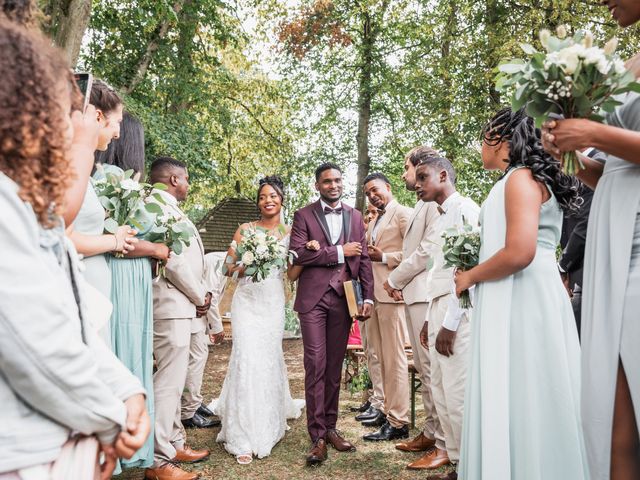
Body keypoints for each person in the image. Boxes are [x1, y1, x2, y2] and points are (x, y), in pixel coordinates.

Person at [0, 20, 149, 479]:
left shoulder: (20, 201)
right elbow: (31, 341)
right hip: (25, 452)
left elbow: (71, 318)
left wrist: (127, 390)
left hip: (63, 437)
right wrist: (109, 419)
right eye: (60, 113)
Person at [456, 107, 587, 479]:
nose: (480, 144)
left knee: (529, 389)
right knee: (519, 388)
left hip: (524, 296)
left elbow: (519, 252)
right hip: (514, 293)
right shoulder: (516, 179)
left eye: (483, 135)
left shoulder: (521, 179)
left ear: (499, 137)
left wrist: (470, 277)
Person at [542, 6, 640, 474]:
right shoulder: (629, 64)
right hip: (610, 232)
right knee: (611, 397)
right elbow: (609, 174)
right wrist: (571, 152)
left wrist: (593, 131)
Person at [94, 112, 171, 472]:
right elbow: (122, 240)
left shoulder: (97, 175)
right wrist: (157, 250)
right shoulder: (115, 180)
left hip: (123, 274)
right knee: (128, 351)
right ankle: (130, 444)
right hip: (125, 275)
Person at [213, 176, 305, 464]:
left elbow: (290, 274)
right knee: (245, 357)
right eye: (263, 196)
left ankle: (268, 422)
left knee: (267, 358)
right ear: (258, 202)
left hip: (272, 302)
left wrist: (306, 256)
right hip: (247, 302)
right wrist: (248, 263)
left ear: (282, 200)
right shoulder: (245, 230)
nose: (268, 200)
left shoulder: (290, 232)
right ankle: (240, 432)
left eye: (273, 196)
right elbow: (228, 268)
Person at [290, 162, 374, 466]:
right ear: (318, 185)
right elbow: (298, 254)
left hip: (343, 300)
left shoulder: (355, 216)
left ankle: (331, 427)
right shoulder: (303, 215)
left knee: (334, 367)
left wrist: (368, 298)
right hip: (313, 300)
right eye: (327, 181)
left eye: (338, 180)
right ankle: (318, 436)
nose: (333, 185)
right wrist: (338, 252)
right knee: (316, 363)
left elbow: (363, 259)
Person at [413, 156, 480, 478]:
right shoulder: (438, 219)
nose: (417, 183)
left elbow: (467, 270)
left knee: (457, 394)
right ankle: (457, 463)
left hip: (458, 312)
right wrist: (429, 318)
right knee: (440, 391)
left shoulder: (466, 209)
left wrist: (450, 325)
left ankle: (472, 465)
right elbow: (437, 273)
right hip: (437, 306)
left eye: (423, 177)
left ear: (443, 174)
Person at [146, 157, 211, 480]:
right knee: (167, 384)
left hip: (182, 306)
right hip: (170, 306)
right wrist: (200, 297)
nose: (188, 185)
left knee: (174, 381)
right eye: (185, 179)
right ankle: (157, 459)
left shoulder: (168, 206)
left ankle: (173, 443)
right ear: (173, 179)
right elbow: (173, 262)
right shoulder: (156, 207)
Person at [384, 146, 444, 461]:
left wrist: (396, 280)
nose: (406, 175)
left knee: (431, 369)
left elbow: (426, 252)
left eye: (406, 167)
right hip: (414, 293)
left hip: (425, 293)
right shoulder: (421, 204)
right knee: (422, 367)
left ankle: (442, 440)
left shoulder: (434, 204)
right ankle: (431, 431)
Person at [67, 83, 137, 345]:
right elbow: (62, 236)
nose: (119, 133)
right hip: (79, 285)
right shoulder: (73, 162)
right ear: (97, 116)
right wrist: (114, 241)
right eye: (116, 122)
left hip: (93, 286)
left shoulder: (84, 165)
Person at [360, 172, 413, 442]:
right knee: (381, 358)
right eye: (368, 192)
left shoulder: (404, 214)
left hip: (394, 295)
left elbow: (418, 253)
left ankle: (399, 421)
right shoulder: (374, 220)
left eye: (375, 190)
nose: (372, 195)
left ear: (388, 188)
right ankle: (387, 412)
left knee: (395, 360)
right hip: (375, 296)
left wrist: (385, 256)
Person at [181, 251, 226, 429]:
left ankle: (194, 402)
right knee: (196, 358)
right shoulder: (219, 262)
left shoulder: (229, 263)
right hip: (192, 313)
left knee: (198, 357)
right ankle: (188, 412)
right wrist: (217, 327)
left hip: (197, 315)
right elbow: (211, 296)